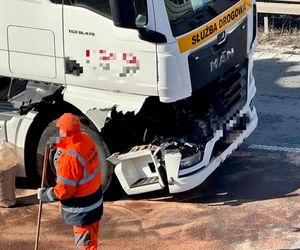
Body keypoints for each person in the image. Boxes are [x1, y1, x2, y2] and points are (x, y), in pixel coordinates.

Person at [37, 113, 103, 250]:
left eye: (60, 130)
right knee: (92, 240)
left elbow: (64, 191)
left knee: (86, 246)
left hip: (83, 210)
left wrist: (45, 194)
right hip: (94, 202)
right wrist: (55, 142)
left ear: (65, 131)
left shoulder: (69, 159)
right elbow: (71, 141)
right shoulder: (86, 139)